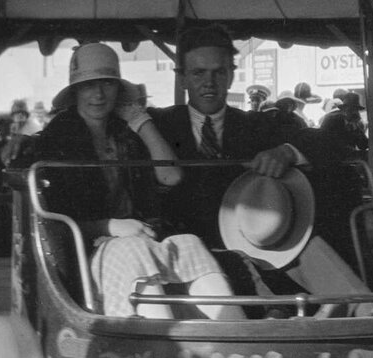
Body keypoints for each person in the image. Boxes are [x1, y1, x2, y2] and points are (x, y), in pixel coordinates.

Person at [15, 42, 241, 320]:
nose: (98, 95)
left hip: (138, 237)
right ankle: (163, 351)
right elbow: (56, 222)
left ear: (118, 91)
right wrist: (110, 226)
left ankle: (234, 340)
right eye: (89, 85)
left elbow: (171, 175)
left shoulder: (126, 133)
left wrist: (140, 121)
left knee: (189, 244)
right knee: (130, 249)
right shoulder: (56, 139)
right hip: (87, 249)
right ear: (76, 92)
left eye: (107, 84)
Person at [151, 25, 320, 253]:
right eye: (198, 73)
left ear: (231, 76)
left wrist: (287, 152)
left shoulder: (258, 124)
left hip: (249, 249)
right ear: (181, 78)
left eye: (219, 72)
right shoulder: (157, 124)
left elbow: (326, 140)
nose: (209, 83)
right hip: (176, 249)